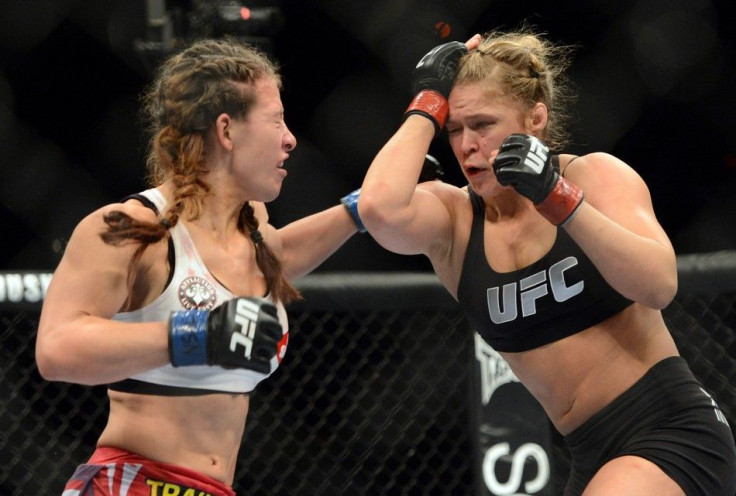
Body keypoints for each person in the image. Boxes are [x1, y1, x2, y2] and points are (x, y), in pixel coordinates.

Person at [355, 29, 736, 495]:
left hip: (671, 431)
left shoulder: (594, 176)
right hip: (587, 454)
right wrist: (426, 102)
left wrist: (560, 201)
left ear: (535, 119)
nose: (467, 145)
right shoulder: (454, 223)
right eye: (453, 128)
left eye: (483, 124)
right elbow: (378, 210)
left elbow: (659, 285)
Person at [35, 37, 362, 496]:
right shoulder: (132, 229)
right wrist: (197, 336)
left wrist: (361, 211)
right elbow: (57, 347)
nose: (291, 138)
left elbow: (279, 256)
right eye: (276, 120)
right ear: (227, 131)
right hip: (132, 483)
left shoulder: (252, 233)